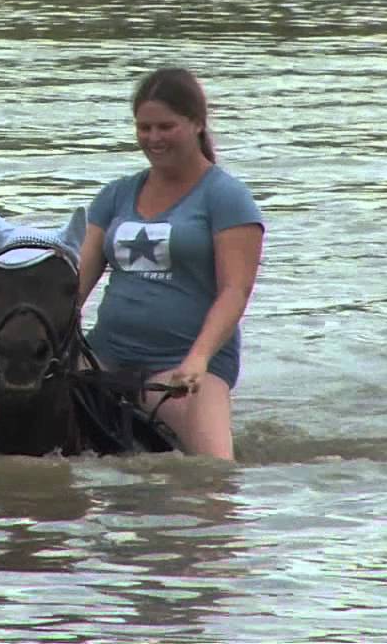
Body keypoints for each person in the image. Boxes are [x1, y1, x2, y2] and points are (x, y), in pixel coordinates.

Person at [77, 67, 264, 460]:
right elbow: (76, 284)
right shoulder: (115, 195)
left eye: (166, 126)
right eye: (144, 128)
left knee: (214, 474)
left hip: (184, 366)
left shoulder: (226, 197)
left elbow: (235, 291)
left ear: (197, 123)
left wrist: (198, 359)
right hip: (105, 356)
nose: (153, 138)